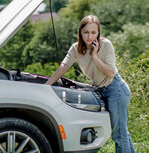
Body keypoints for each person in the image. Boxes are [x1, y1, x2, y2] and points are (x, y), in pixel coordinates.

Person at [45, 15, 135, 153]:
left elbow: (110, 73)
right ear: (80, 32)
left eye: (94, 33)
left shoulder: (105, 45)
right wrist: (46, 86)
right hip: (99, 91)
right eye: (86, 32)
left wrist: (94, 56)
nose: (89, 37)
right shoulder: (75, 48)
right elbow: (63, 67)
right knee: (121, 131)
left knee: (119, 133)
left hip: (116, 90)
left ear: (98, 32)